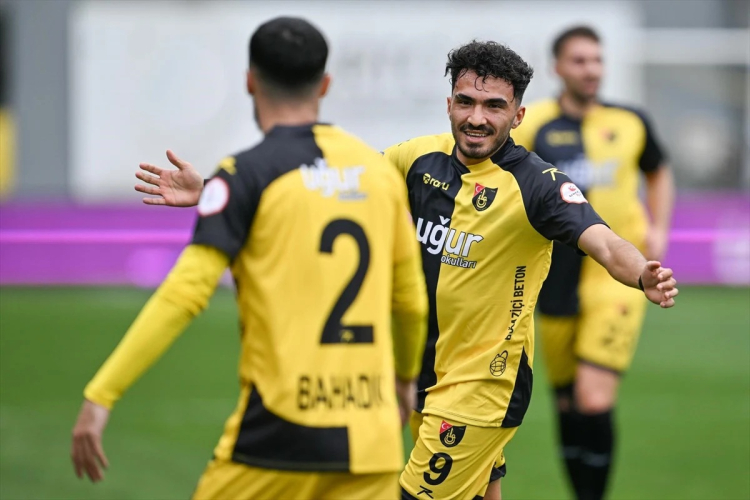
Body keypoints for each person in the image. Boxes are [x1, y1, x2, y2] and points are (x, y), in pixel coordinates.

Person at [135, 40, 679, 500]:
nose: (476, 118)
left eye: (494, 106)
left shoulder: (537, 185)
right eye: (466, 102)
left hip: (482, 389)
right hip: (422, 378)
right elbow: (327, 187)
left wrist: (642, 274)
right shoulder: (417, 159)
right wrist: (214, 191)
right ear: (449, 103)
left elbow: (605, 242)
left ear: (518, 116)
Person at [70, 16, 429, 500]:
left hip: (277, 437)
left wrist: (102, 394)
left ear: (249, 81)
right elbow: (410, 303)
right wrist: (404, 381)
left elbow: (184, 294)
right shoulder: (378, 175)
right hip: (372, 440)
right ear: (325, 84)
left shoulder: (245, 174)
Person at [511, 26, 675, 500]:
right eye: (579, 60)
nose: (591, 70)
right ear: (558, 68)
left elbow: (658, 170)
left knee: (592, 396)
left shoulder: (630, 121)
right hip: (554, 278)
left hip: (618, 277)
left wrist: (659, 227)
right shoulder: (535, 124)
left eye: (597, 60)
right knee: (566, 403)